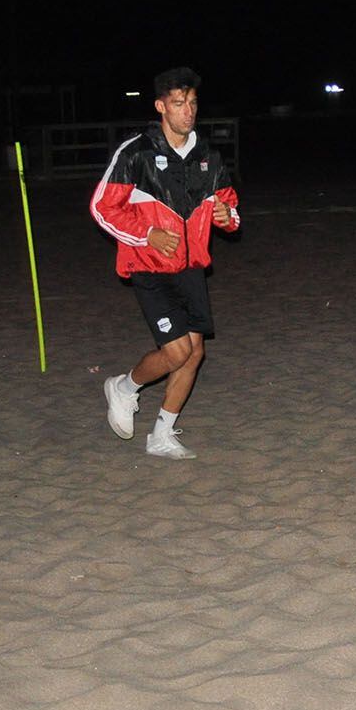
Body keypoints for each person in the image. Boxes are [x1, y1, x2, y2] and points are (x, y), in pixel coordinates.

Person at [93, 67, 241, 460]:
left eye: (192, 103)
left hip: (191, 268)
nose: (187, 111)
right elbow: (102, 207)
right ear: (161, 106)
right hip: (149, 267)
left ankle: (162, 434)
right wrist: (147, 236)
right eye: (178, 104)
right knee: (177, 352)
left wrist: (228, 218)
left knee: (195, 354)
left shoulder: (208, 155)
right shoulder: (137, 152)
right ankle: (124, 387)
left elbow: (229, 205)